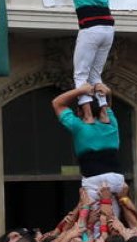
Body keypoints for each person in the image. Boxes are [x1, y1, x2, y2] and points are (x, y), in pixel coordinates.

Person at [52, 0, 114, 120]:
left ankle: (87, 113)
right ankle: (102, 110)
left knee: (81, 75)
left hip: (91, 28)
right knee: (96, 74)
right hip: (108, 28)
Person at [51, 82, 126, 213]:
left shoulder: (79, 127)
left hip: (93, 180)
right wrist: (107, 93)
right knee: (112, 219)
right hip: (116, 179)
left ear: (79, 112)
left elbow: (57, 103)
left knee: (94, 224)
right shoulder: (111, 123)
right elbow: (105, 107)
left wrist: (80, 90)